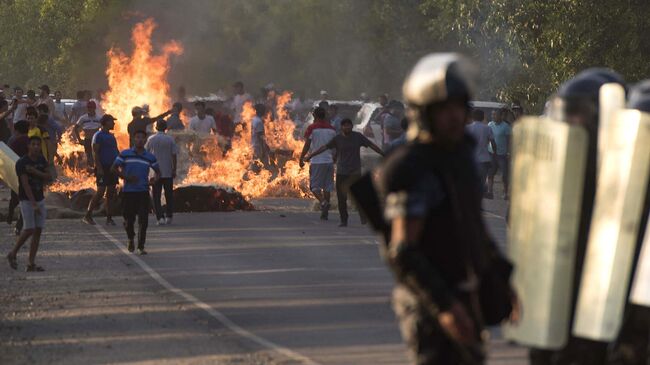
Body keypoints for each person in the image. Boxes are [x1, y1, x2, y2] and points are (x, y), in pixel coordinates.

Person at [377, 53, 515, 364]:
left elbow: (473, 228)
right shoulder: (411, 167)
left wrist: (502, 281)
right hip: (428, 302)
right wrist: (445, 307)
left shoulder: (461, 158)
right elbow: (404, 251)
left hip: (468, 294)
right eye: (443, 109)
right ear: (424, 113)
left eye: (457, 107)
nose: (453, 117)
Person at [305, 118, 384, 227]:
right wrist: (311, 155)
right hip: (342, 171)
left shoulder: (358, 137)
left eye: (349, 125)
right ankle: (343, 220)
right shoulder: (338, 139)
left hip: (355, 171)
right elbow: (325, 147)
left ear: (351, 126)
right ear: (341, 127)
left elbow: (371, 145)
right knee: (342, 198)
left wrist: (383, 154)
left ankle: (363, 216)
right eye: (345, 125)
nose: (347, 127)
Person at [6, 136, 51, 272]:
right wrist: (33, 204)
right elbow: (25, 184)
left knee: (38, 231)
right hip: (27, 200)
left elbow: (49, 177)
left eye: (38, 144)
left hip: (40, 198)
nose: (36, 147)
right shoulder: (22, 163)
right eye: (33, 144)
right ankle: (12, 253)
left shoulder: (42, 160)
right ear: (28, 146)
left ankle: (31, 263)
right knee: (29, 229)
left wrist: (35, 172)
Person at [112, 130, 160, 255]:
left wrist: (154, 180)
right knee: (129, 220)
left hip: (143, 192)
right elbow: (114, 168)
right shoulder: (125, 154)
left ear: (145, 140)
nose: (139, 140)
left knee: (143, 220)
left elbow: (158, 171)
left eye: (142, 138)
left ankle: (141, 246)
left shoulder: (150, 156)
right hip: (128, 192)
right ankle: (130, 238)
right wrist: (126, 178)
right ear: (133, 139)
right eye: (137, 137)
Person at [299, 107, 336, 220]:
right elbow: (335, 146)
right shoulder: (332, 129)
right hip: (329, 161)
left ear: (314, 116)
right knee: (327, 187)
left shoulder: (312, 128)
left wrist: (302, 157)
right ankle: (325, 213)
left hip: (317, 161)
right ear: (325, 115)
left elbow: (307, 144)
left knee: (314, 187)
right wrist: (334, 158)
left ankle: (323, 202)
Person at [82, 114, 120, 226]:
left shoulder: (111, 136)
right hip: (103, 167)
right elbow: (95, 152)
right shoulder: (98, 135)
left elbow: (116, 151)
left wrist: (120, 163)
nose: (113, 123)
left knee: (111, 193)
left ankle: (109, 218)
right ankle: (87, 215)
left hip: (112, 167)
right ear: (106, 122)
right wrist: (99, 168)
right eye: (111, 121)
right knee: (100, 192)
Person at [145, 120, 178, 226]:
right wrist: (174, 169)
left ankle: (160, 218)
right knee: (169, 195)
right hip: (168, 171)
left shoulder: (151, 139)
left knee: (156, 196)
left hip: (155, 172)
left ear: (156, 127)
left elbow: (146, 154)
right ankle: (169, 216)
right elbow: (174, 155)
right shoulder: (170, 139)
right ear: (166, 128)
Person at [7, 120, 30, 234]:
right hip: (29, 173)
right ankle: (19, 224)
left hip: (17, 172)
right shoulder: (32, 141)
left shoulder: (14, 141)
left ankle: (11, 214)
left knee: (15, 196)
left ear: (16, 130)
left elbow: (9, 157)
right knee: (25, 199)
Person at [466, 109, 496, 194]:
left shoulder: (467, 128)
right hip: (484, 160)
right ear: (483, 117)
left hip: (471, 161)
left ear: (472, 117)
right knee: (481, 183)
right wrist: (495, 153)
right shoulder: (487, 128)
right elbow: (493, 143)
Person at [486, 108, 512, 199]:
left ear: (500, 116)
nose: (493, 116)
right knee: (490, 173)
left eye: (495, 115)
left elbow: (510, 141)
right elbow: (487, 138)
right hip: (491, 153)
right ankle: (490, 192)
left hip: (502, 155)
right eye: (492, 114)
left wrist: (509, 152)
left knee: (504, 175)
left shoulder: (506, 127)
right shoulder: (489, 125)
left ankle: (505, 193)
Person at [74, 101, 101, 167]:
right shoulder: (83, 118)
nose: (90, 109)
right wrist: (79, 139)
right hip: (87, 140)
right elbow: (75, 128)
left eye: (91, 107)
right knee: (89, 155)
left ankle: (98, 168)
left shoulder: (99, 118)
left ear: (94, 108)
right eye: (89, 108)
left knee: (98, 155)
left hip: (97, 141)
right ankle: (90, 170)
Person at [250, 103, 270, 167]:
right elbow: (260, 136)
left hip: (254, 144)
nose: (264, 112)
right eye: (263, 110)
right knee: (258, 164)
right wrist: (265, 147)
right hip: (258, 146)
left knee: (256, 163)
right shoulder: (259, 122)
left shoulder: (254, 119)